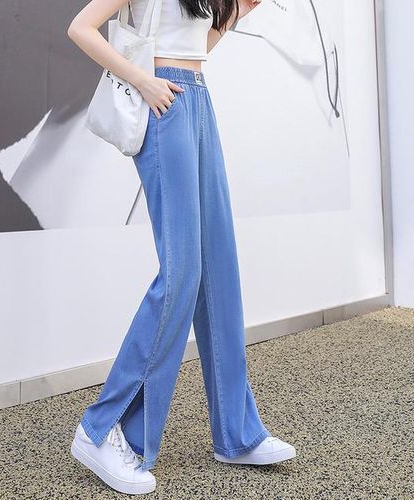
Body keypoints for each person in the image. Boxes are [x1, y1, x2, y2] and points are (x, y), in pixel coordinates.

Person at [67, 0, 296, 494]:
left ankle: (235, 434)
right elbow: (81, 28)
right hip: (161, 101)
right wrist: (144, 80)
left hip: (197, 97)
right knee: (182, 272)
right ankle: (101, 430)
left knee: (218, 269)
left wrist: (235, 14)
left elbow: (197, 47)